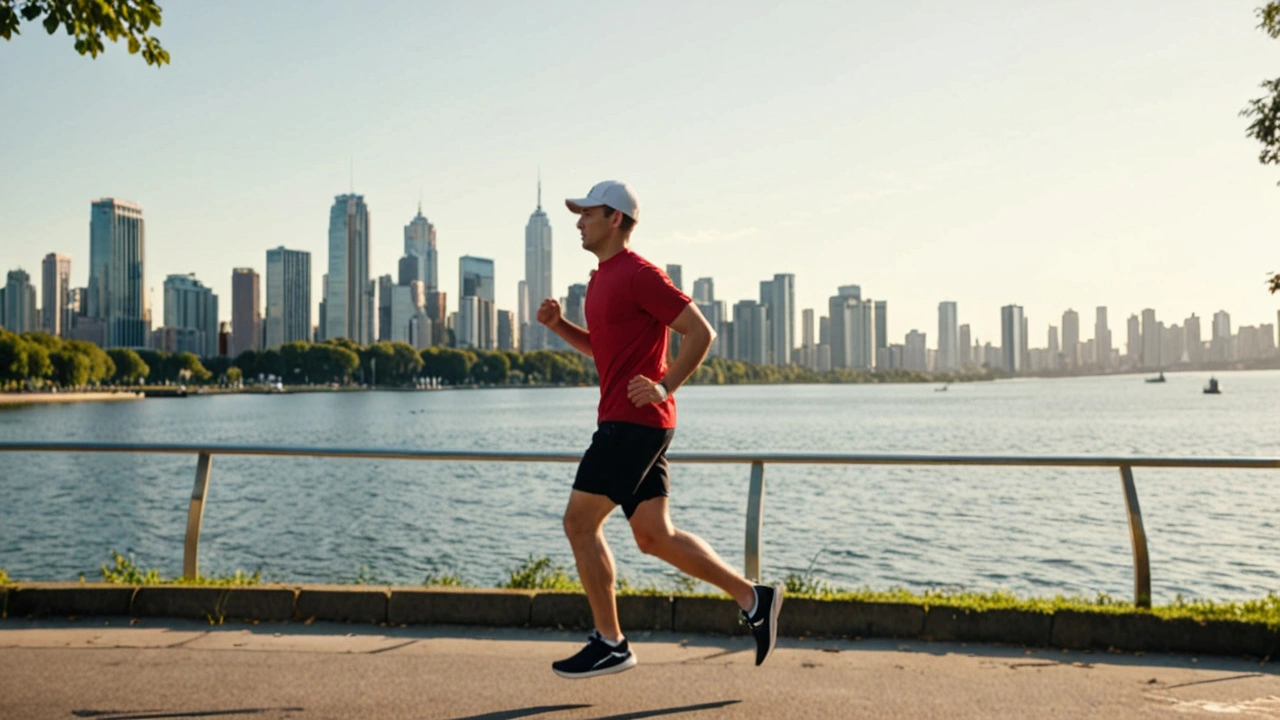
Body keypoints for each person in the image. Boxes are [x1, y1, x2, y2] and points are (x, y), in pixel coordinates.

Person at [537, 180, 783, 679]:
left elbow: (701, 332)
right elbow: (606, 354)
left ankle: (610, 642)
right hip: (630, 423)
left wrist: (666, 385)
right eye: (578, 214)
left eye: (588, 213)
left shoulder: (639, 274)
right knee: (654, 535)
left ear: (615, 220)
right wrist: (560, 327)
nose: (579, 222)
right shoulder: (601, 279)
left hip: (633, 425)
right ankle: (753, 597)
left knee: (578, 524)